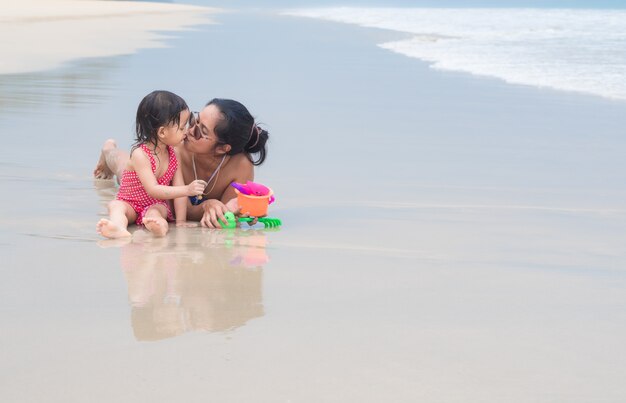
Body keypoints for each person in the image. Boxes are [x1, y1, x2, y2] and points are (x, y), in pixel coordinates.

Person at [94, 98, 269, 229]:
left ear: (222, 149)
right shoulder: (175, 147)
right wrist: (208, 205)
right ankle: (108, 150)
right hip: (151, 188)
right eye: (194, 120)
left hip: (182, 197)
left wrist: (242, 212)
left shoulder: (241, 165)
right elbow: (172, 205)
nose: (189, 131)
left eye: (200, 131)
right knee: (123, 169)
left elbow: (226, 214)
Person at [96, 90, 207, 238]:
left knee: (158, 212)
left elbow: (177, 188)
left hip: (153, 205)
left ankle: (158, 227)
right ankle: (118, 227)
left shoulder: (173, 154)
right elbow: (153, 189)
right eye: (181, 128)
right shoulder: (140, 154)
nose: (186, 132)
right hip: (129, 202)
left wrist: (180, 221)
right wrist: (188, 190)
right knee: (116, 206)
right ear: (162, 133)